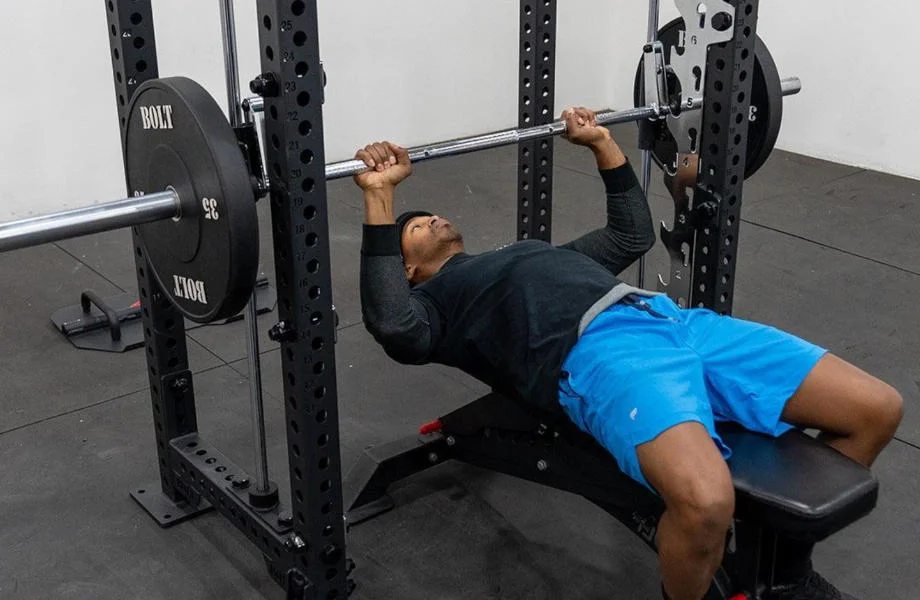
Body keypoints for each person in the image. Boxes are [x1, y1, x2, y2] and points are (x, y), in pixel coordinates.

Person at [354, 107, 903, 600]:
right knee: (706, 502)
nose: (432, 218)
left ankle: (783, 574)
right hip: (602, 355)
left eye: (428, 214)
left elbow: (630, 236)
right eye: (415, 226)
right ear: (406, 269)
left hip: (672, 320)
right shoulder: (436, 307)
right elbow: (393, 325)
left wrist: (602, 143)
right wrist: (380, 195)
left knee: (876, 410)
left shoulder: (527, 254)